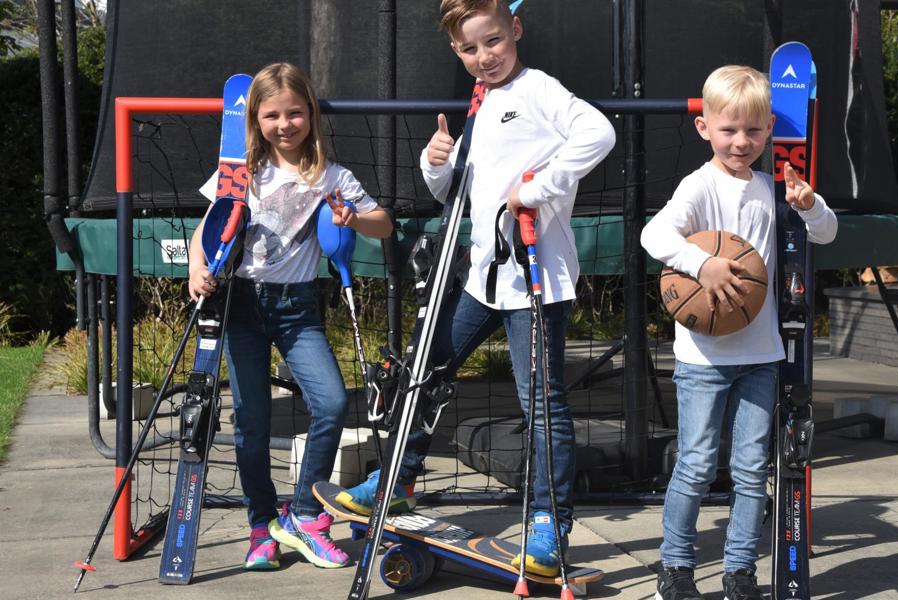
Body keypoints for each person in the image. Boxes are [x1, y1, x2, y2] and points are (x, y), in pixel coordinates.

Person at [336, 0, 615, 577]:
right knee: (428, 371)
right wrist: (436, 160)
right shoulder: (482, 102)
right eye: (470, 48)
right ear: (456, 51)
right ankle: (398, 481)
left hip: (535, 278)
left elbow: (599, 132)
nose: (484, 57)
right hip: (485, 280)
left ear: (515, 30)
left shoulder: (537, 88)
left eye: (493, 42)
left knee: (540, 402)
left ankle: (547, 526)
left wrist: (540, 185)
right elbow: (452, 191)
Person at [640, 65, 837, 600]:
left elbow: (827, 231)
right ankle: (675, 570)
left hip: (760, 354)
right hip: (703, 357)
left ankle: (740, 574)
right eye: (729, 130)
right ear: (705, 128)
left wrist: (809, 205)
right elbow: (653, 233)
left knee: (752, 471)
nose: (741, 141)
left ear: (770, 128)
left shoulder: (775, 189)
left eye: (753, 130)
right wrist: (701, 265)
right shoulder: (698, 186)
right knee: (698, 464)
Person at [188, 62, 393, 572]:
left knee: (330, 403)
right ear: (255, 119)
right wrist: (196, 268)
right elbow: (205, 229)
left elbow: (385, 224)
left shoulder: (332, 175)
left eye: (295, 113)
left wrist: (354, 217)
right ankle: (262, 526)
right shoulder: (240, 172)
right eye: (272, 115)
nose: (285, 124)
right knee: (252, 424)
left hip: (297, 306)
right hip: (240, 305)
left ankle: (304, 515)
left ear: (311, 113)